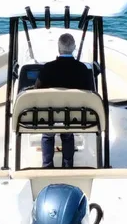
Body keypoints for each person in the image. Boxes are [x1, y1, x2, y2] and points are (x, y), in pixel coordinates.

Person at [34, 33, 95, 168]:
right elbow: (89, 91)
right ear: (74, 47)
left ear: (58, 48)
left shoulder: (47, 68)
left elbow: (37, 91)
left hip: (50, 115)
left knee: (47, 135)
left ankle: (47, 166)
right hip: (75, 116)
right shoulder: (82, 69)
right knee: (67, 135)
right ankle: (68, 166)